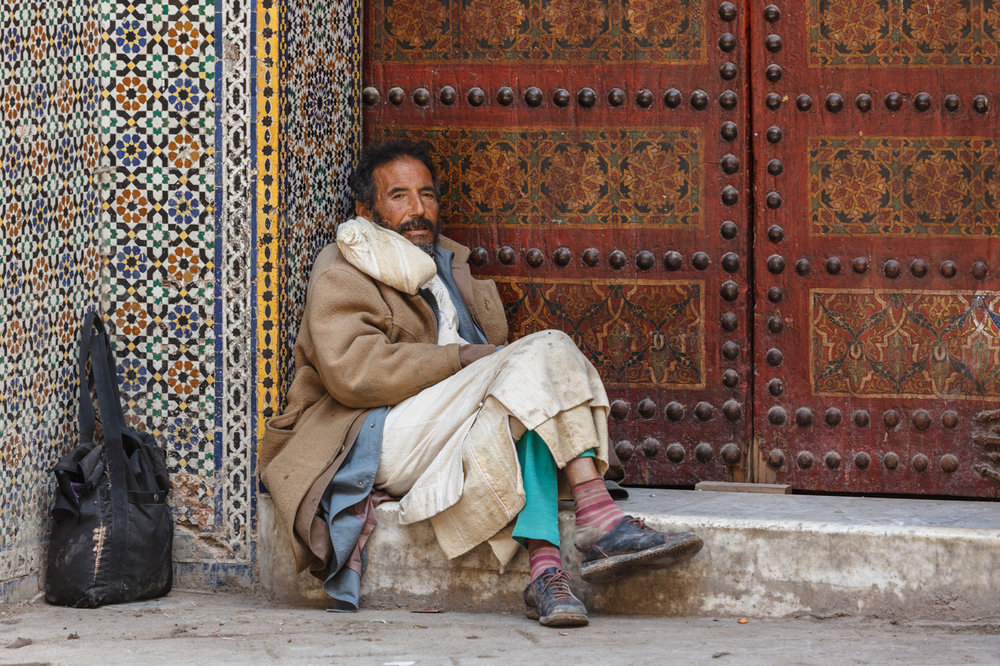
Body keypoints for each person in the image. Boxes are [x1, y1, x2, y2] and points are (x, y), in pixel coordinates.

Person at [261, 139, 703, 627]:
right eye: (400, 196)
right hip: (372, 434)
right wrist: (464, 357)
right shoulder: (344, 266)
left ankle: (546, 573)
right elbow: (353, 374)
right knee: (548, 344)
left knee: (528, 409)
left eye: (427, 195)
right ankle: (598, 517)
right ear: (368, 209)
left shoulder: (446, 266)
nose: (418, 209)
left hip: (442, 429)